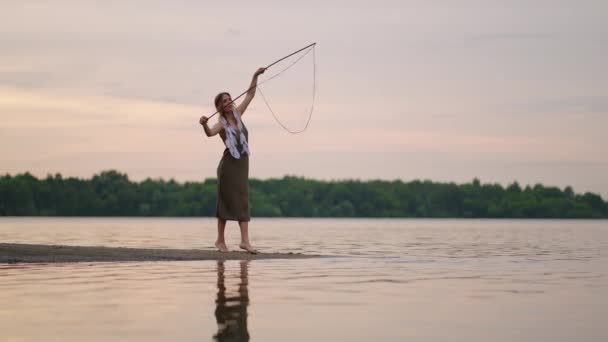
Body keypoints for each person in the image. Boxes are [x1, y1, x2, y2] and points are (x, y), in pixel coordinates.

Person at [200, 67, 266, 253]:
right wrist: (204, 124)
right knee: (226, 201)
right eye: (225, 101)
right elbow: (209, 134)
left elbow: (250, 95)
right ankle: (220, 241)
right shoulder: (221, 123)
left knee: (243, 199)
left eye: (230, 99)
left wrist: (254, 76)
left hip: (242, 165)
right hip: (228, 167)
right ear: (220, 106)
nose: (229, 102)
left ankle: (245, 241)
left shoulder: (238, 115)